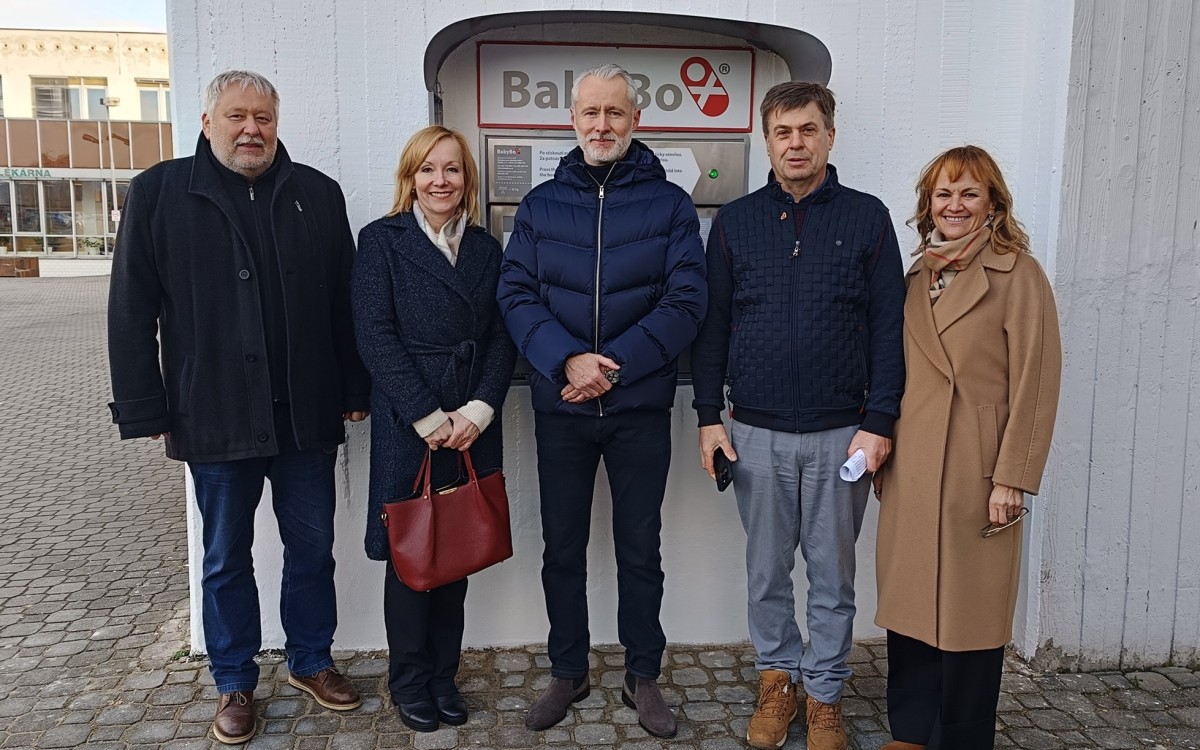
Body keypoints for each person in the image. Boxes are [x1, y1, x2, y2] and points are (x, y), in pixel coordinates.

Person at [106, 70, 369, 745]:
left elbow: (344, 303)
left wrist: (354, 388)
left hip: (304, 414)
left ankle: (311, 660)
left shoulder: (317, 194)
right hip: (213, 412)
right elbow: (131, 309)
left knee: (311, 549)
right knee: (225, 556)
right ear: (207, 121)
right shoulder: (160, 193)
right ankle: (233, 679)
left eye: (263, 117)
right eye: (236, 116)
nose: (251, 129)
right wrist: (145, 406)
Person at [690, 81, 906, 750]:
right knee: (766, 573)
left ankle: (826, 695)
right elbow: (712, 327)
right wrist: (708, 415)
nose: (796, 143)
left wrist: (880, 422)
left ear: (829, 136)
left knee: (833, 576)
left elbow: (889, 329)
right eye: (783, 132)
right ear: (766, 140)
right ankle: (777, 679)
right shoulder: (736, 223)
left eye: (808, 130)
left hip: (844, 433)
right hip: (754, 431)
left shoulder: (867, 218)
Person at [496, 63, 707, 739]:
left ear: (635, 120)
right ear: (573, 120)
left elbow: (687, 301)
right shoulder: (540, 205)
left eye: (615, 112)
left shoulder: (670, 205)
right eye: (590, 112)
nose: (602, 124)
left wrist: (609, 370)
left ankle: (643, 675)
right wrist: (568, 360)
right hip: (561, 409)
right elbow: (515, 294)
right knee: (562, 548)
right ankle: (568, 671)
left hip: (637, 409)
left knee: (640, 549)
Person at [874, 145, 1061, 750]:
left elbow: (1036, 381)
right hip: (913, 462)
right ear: (928, 205)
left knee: (970, 612)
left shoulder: (1018, 274)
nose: (954, 205)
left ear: (993, 203)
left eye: (969, 193)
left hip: (976, 468)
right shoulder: (916, 277)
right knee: (911, 601)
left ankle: (961, 737)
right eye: (944, 194)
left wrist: (1013, 477)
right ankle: (910, 731)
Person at [351, 125, 517, 733]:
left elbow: (502, 334)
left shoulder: (486, 248)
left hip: (470, 420)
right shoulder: (382, 240)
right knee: (411, 555)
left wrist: (480, 409)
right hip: (409, 421)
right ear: (410, 177)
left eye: (451, 169)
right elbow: (374, 334)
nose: (439, 181)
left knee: (457, 552)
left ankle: (445, 678)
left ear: (466, 178)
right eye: (427, 169)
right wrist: (426, 414)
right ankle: (409, 682)